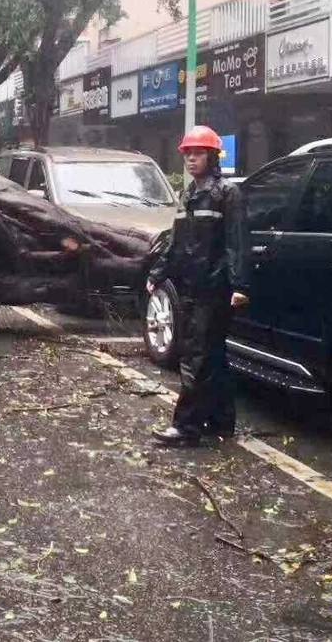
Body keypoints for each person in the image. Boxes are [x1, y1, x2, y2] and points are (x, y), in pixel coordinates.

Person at [146, 126, 250, 447]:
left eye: (198, 153)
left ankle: (186, 427)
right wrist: (158, 273)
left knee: (195, 357)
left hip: (214, 290)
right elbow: (176, 243)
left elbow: (238, 242)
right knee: (213, 356)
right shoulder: (189, 195)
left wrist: (239, 285)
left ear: (213, 157)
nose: (191, 159)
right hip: (190, 288)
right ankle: (221, 421)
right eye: (188, 153)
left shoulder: (227, 194)